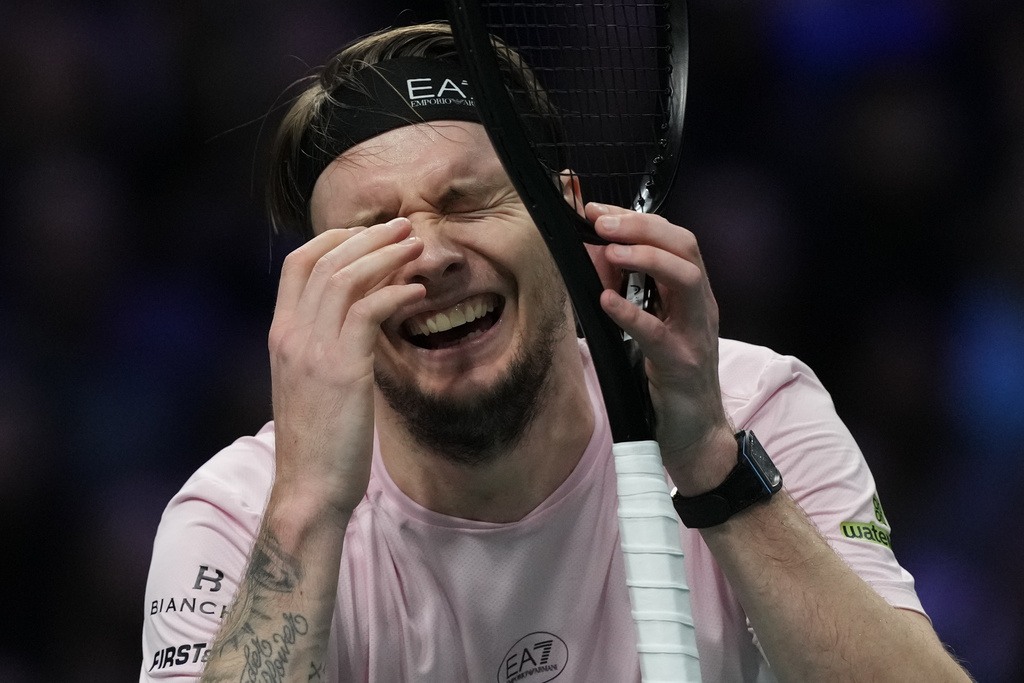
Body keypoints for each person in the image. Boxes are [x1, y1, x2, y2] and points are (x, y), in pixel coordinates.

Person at [140, 23, 973, 683]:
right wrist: (309, 504)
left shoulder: (752, 409)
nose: (432, 255)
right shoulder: (240, 515)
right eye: (376, 232)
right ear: (313, 289)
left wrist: (712, 464)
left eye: (468, 202)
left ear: (567, 214)